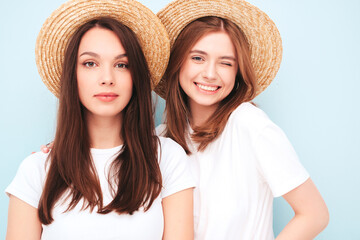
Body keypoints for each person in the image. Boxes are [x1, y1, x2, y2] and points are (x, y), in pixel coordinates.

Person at [5, 0, 194, 239]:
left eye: (122, 64)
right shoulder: (37, 170)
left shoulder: (167, 159)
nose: (107, 78)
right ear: (71, 76)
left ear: (136, 77)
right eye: (90, 63)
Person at [153, 0, 329, 239]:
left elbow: (314, 214)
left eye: (226, 63)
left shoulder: (249, 124)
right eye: (198, 58)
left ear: (237, 73)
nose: (210, 73)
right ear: (178, 62)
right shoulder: (161, 139)